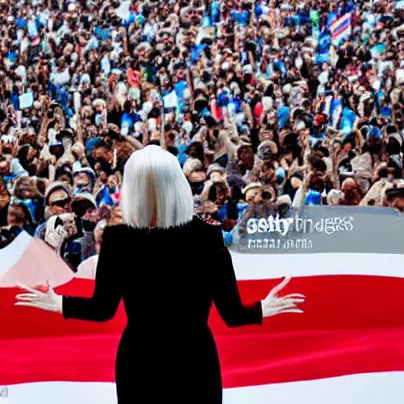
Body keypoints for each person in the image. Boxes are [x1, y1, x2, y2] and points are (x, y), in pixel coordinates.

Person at [14, 145, 305, 404]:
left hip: (139, 361)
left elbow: (103, 309)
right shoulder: (207, 239)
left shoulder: (119, 240)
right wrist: (261, 310)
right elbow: (232, 314)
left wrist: (60, 304)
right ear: (177, 185)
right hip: (195, 360)